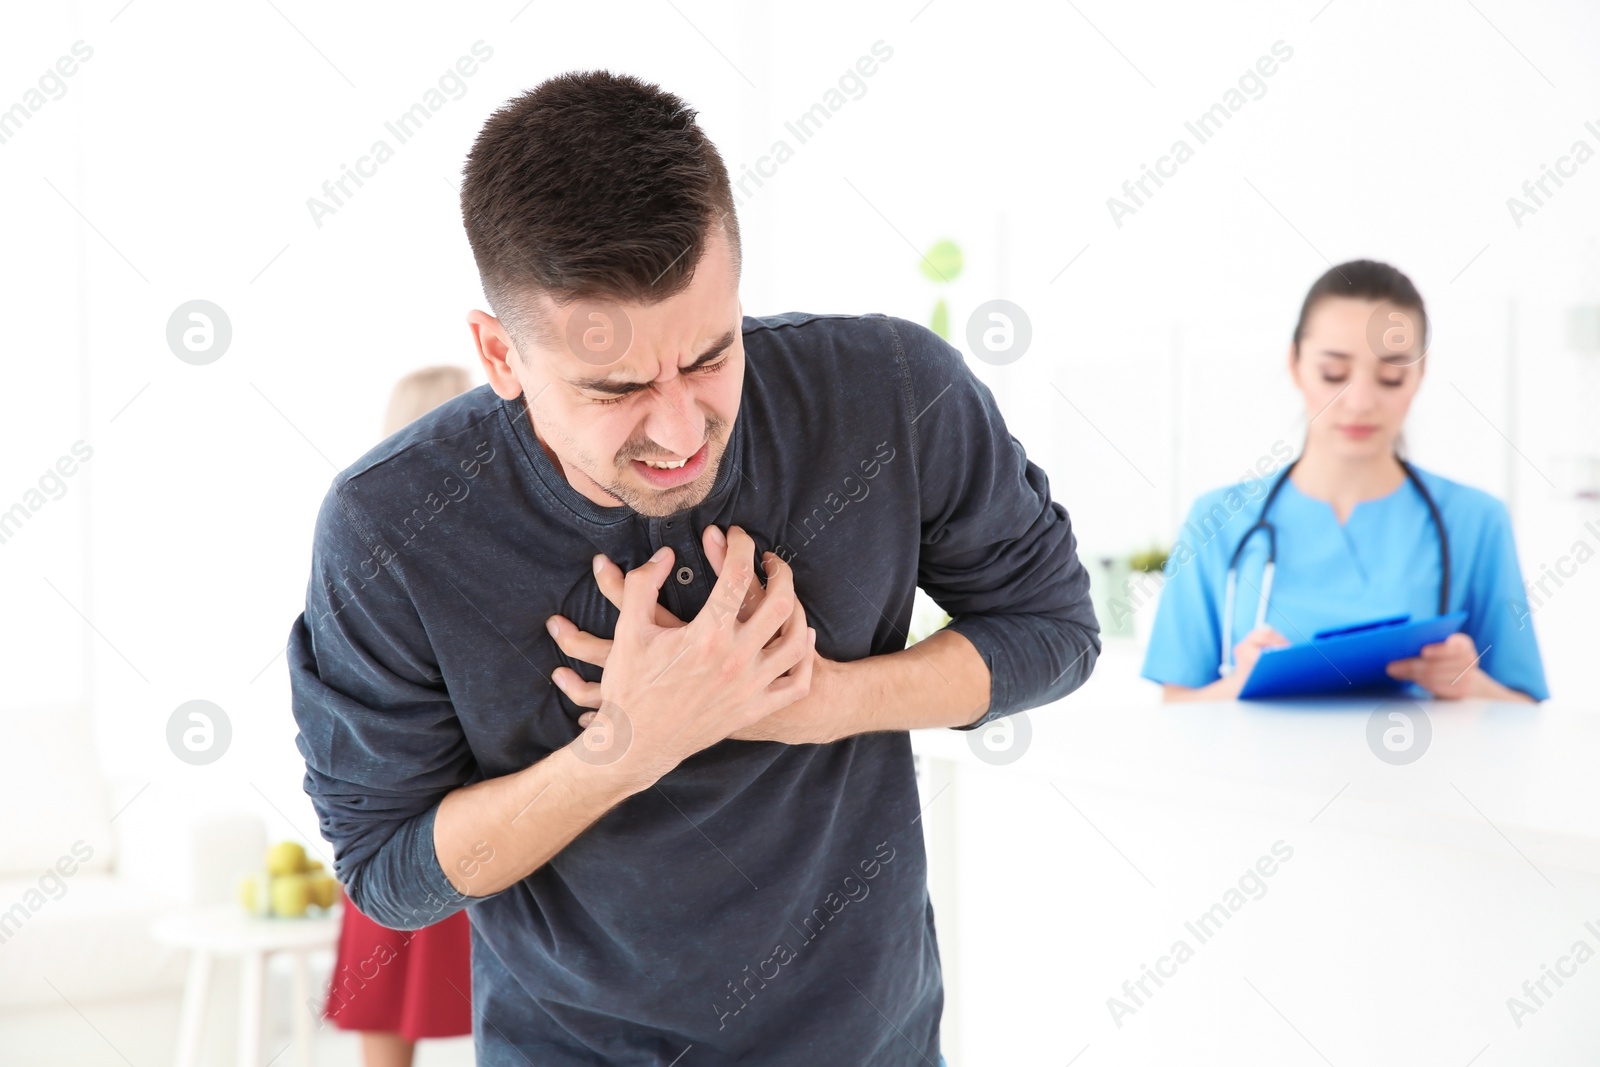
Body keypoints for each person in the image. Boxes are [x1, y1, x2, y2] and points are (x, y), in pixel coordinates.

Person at [287, 71, 1100, 1066]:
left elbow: (1053, 628)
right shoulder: (390, 528)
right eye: (616, 387)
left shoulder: (889, 391)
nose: (679, 429)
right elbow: (391, 870)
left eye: (711, 355)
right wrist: (627, 748)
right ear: (500, 355)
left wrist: (823, 701)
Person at [1142, 260, 1547, 704]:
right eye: (1333, 373)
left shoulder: (1475, 521)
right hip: (1257, 773)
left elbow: (1526, 711)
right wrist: (1239, 687)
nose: (1359, 401)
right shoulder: (1218, 519)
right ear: (1295, 364)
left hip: (1420, 769)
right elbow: (1176, 711)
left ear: (1420, 373)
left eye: (1391, 376)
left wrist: (1473, 686)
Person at [322, 366, 477, 1067]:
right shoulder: (403, 546)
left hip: (411, 814)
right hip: (454, 817)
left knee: (388, 996)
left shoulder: (363, 542)